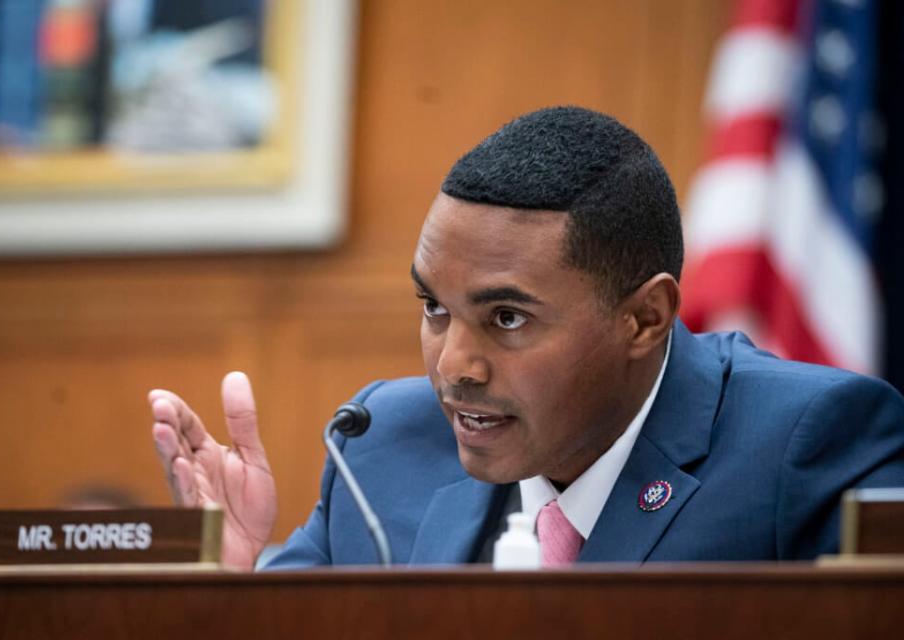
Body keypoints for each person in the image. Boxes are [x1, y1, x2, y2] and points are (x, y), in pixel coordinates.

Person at [149, 106, 904, 570]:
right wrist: (234, 588)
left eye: (506, 318)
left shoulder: (809, 446)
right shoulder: (380, 449)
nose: (454, 368)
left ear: (645, 317)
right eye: (434, 308)